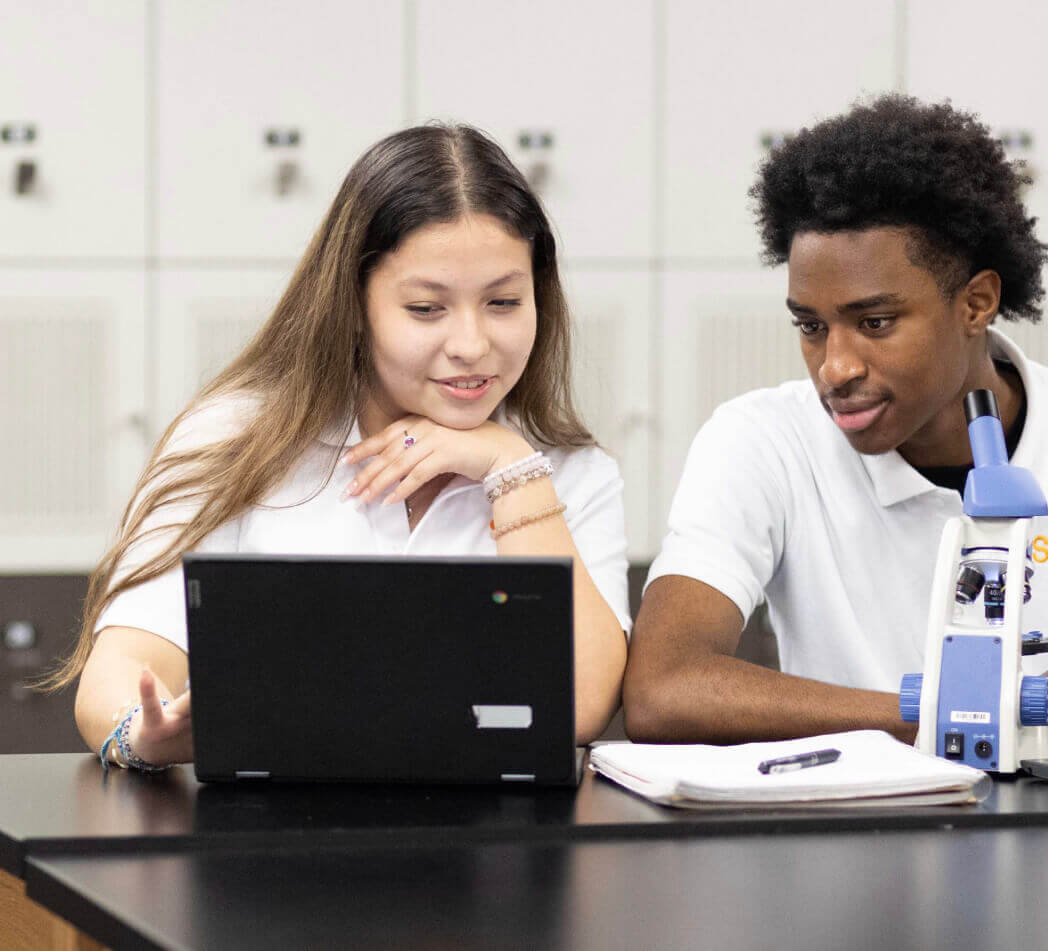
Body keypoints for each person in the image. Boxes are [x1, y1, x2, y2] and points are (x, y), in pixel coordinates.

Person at [624, 94, 1048, 755]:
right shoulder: (763, 441)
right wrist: (965, 709)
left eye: (875, 322)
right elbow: (663, 688)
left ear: (976, 303)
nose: (834, 368)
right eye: (811, 326)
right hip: (859, 821)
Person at [50, 124, 631, 769]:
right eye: (426, 309)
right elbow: (123, 664)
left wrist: (510, 468)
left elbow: (578, 706)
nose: (471, 345)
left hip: (496, 834)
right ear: (354, 303)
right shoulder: (236, 439)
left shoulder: (569, 472)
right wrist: (140, 733)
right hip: (275, 830)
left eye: (503, 302)